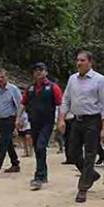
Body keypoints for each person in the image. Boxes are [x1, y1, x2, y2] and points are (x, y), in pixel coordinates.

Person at [58, 50, 104, 203]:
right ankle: (91, 175)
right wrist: (61, 119)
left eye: (82, 60)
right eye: (77, 60)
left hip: (93, 121)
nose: (78, 63)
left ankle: (83, 187)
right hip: (76, 120)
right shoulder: (72, 79)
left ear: (90, 62)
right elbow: (66, 99)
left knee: (90, 154)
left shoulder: (100, 80)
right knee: (72, 153)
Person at [19, 62, 63, 190]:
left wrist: (60, 120)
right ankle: (43, 174)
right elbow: (23, 104)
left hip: (47, 122)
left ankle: (39, 176)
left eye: (41, 70)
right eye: (36, 70)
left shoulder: (53, 87)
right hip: (34, 122)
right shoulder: (30, 88)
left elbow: (60, 104)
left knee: (40, 146)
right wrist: (18, 118)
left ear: (46, 72)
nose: (38, 72)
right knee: (38, 148)